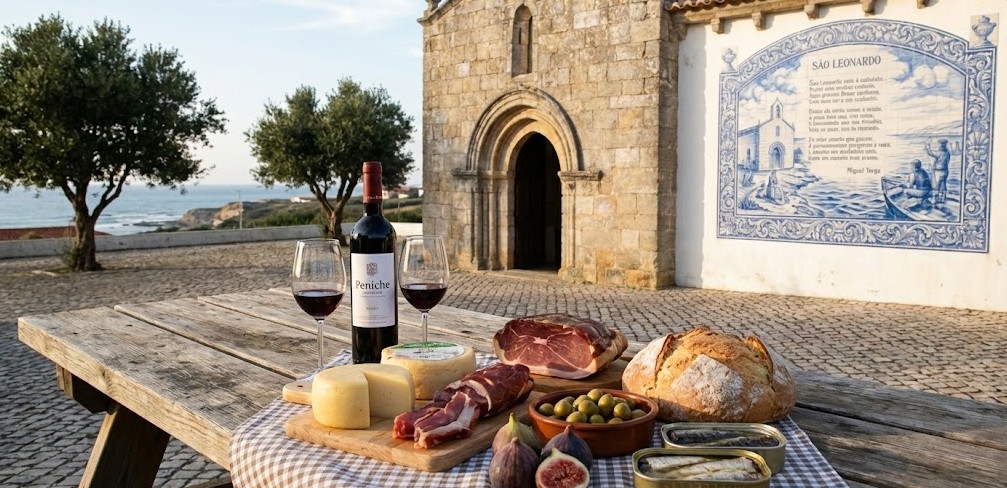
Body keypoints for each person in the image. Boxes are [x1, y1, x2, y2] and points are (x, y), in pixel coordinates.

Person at [925, 139, 950, 204]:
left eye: (939, 144)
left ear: (941, 145)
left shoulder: (939, 153)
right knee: (943, 185)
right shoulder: (947, 153)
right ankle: (943, 198)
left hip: (938, 171)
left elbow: (931, 154)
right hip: (945, 171)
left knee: (936, 186)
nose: (938, 146)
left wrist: (928, 148)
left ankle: (934, 199)